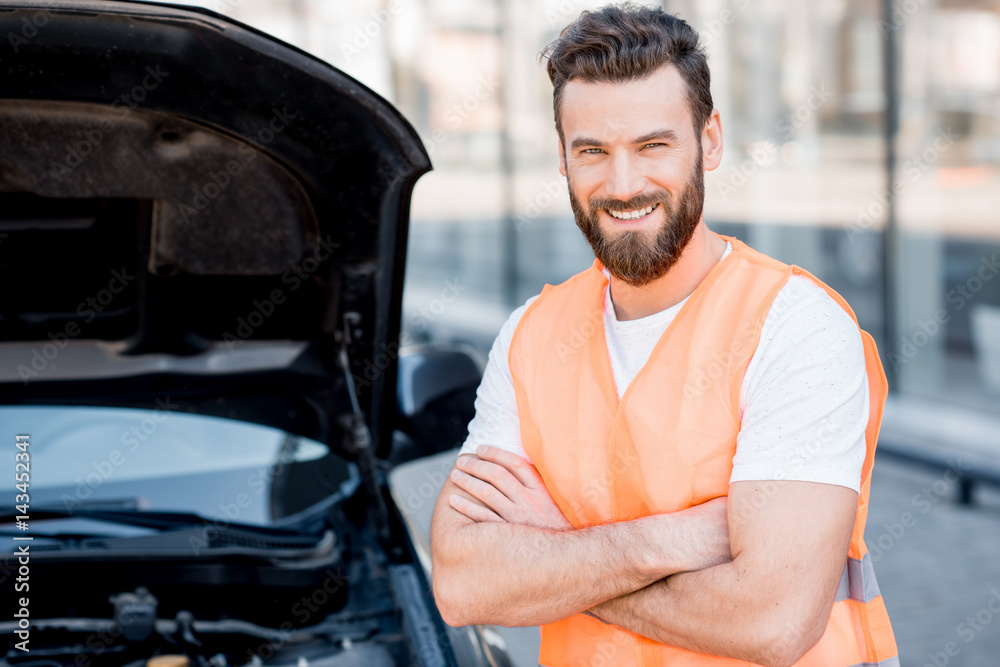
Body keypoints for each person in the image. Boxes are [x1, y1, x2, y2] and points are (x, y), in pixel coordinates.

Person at [429, 5, 899, 666]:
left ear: (709, 141)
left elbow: (774, 619)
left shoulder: (794, 326)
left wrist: (558, 548)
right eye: (592, 150)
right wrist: (670, 539)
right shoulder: (532, 336)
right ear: (562, 156)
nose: (623, 185)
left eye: (653, 145)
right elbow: (460, 583)